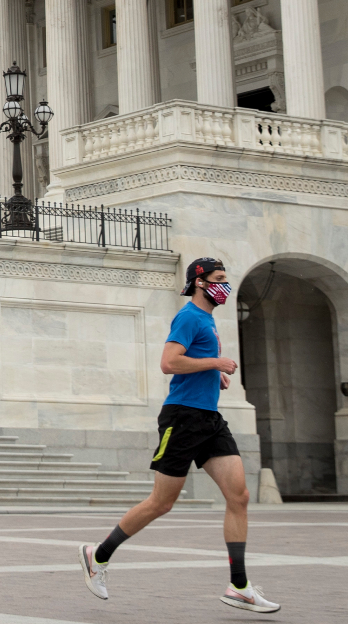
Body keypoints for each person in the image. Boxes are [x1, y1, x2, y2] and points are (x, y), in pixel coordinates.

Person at [79, 258, 279, 613]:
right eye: (219, 279)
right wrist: (216, 363)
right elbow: (169, 362)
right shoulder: (188, 316)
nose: (225, 285)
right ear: (199, 282)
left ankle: (239, 586)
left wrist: (210, 375)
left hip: (209, 419)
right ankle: (98, 555)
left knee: (240, 496)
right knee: (162, 503)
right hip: (182, 418)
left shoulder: (207, 320)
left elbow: (191, 362)